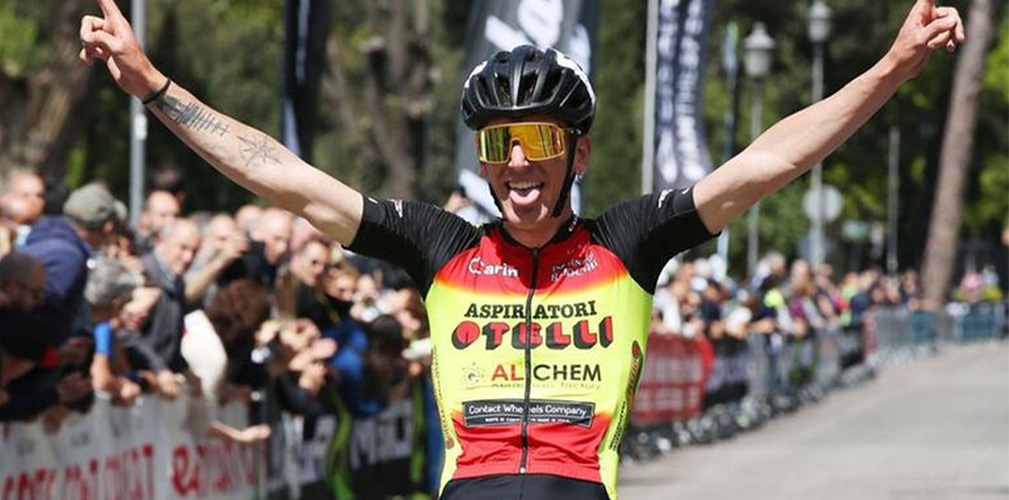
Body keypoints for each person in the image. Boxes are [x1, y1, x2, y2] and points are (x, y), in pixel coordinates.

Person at [80, 0, 964, 497]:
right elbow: (285, 177)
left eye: (539, 141)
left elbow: (771, 161)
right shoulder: (438, 244)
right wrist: (155, 87)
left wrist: (889, 69)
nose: (518, 164)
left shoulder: (629, 240)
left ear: (578, 153)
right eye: (498, 144)